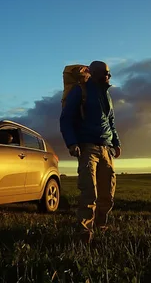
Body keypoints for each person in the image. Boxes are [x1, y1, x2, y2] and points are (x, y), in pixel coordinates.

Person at [59, 60, 122, 243]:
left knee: (108, 193)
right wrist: (72, 143)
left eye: (109, 73)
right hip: (87, 148)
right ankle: (84, 234)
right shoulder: (80, 91)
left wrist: (116, 143)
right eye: (105, 73)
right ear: (93, 73)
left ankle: (101, 226)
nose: (108, 76)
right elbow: (66, 119)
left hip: (106, 149)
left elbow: (111, 121)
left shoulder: (106, 94)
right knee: (89, 193)